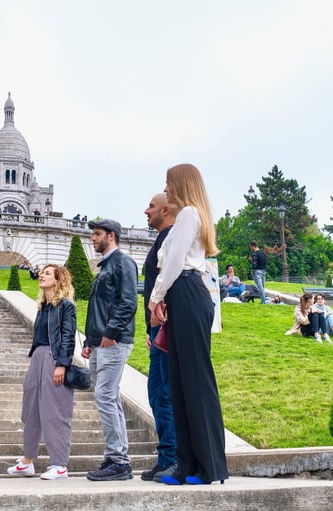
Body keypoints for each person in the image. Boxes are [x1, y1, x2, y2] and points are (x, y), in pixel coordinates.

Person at [149, 163, 228, 486]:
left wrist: (155, 297)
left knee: (195, 381)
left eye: (169, 184)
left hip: (186, 291)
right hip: (183, 295)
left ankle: (207, 466)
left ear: (181, 184)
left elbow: (174, 261)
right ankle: (188, 464)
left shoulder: (188, 215)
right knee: (181, 383)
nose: (165, 190)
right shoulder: (192, 216)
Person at [7, 264, 77, 480]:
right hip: (37, 357)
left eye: (47, 273)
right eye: (42, 272)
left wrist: (62, 364)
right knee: (31, 409)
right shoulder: (43, 307)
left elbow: (68, 335)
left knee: (55, 411)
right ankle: (28, 461)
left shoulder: (66, 306)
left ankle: (59, 464)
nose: (41, 275)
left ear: (58, 280)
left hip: (54, 358)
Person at [81, 218, 138, 482]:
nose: (93, 238)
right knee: (107, 396)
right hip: (100, 342)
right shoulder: (106, 265)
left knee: (105, 395)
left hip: (114, 342)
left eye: (97, 234)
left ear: (111, 236)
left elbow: (128, 303)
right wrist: (88, 340)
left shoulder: (122, 262)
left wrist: (110, 334)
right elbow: (98, 307)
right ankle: (115, 457)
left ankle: (118, 460)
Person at [140, 192, 177, 483]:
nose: (146, 210)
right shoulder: (160, 239)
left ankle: (172, 458)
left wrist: (159, 324)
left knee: (164, 394)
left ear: (165, 210)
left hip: (163, 325)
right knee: (156, 395)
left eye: (151, 206)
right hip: (156, 329)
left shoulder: (170, 238)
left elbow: (168, 282)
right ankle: (165, 456)